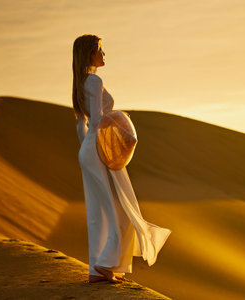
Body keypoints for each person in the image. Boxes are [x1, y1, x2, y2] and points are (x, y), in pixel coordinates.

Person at [71, 34, 172, 284]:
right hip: (99, 150)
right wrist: (117, 132)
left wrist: (88, 143)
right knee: (121, 211)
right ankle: (104, 265)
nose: (103, 55)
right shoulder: (93, 80)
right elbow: (95, 120)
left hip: (89, 149)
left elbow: (80, 125)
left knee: (100, 213)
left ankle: (99, 269)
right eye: (100, 51)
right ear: (89, 54)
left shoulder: (80, 83)